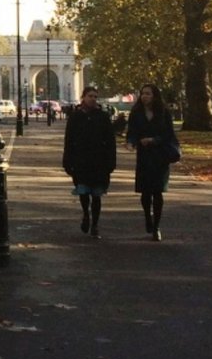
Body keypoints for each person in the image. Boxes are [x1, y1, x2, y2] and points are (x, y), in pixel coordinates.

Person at [62, 87, 116, 238]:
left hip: (99, 162)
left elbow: (110, 141)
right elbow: (69, 140)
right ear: (83, 97)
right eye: (90, 96)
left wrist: (111, 162)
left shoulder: (103, 117)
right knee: (84, 192)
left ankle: (95, 225)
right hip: (81, 161)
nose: (93, 99)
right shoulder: (75, 117)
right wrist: (67, 161)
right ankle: (86, 214)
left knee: (97, 195)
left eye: (95, 96)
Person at [125, 83, 176, 242]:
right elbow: (132, 131)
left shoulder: (163, 112)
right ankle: (148, 216)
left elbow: (169, 134)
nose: (144, 96)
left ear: (155, 95)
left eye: (148, 93)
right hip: (144, 155)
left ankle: (156, 227)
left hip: (160, 155)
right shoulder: (136, 112)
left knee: (158, 191)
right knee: (145, 192)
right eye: (143, 93)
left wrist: (154, 140)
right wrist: (131, 142)